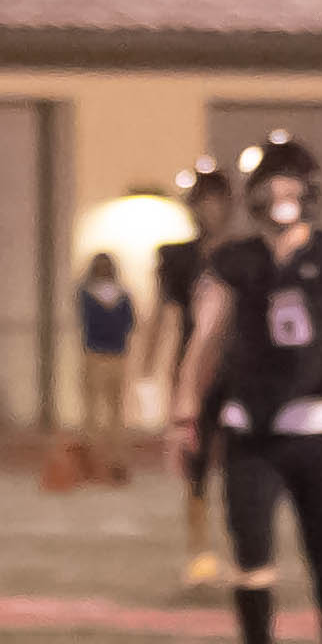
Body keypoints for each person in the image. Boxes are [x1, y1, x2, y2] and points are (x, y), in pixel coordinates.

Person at [172, 134, 322, 644]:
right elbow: (204, 341)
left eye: (290, 181)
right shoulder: (234, 262)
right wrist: (184, 410)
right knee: (251, 558)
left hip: (319, 428)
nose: (281, 193)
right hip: (251, 431)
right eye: (271, 183)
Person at [141, 161, 240, 587]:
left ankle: (244, 548)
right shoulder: (177, 257)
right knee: (195, 464)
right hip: (195, 373)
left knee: (242, 463)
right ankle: (199, 551)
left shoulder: (245, 254)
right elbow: (163, 312)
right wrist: (148, 367)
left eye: (216, 200)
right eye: (203, 201)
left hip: (241, 371)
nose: (210, 209)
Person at [76, 252, 136, 480]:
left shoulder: (86, 295)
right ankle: (116, 461)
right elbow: (130, 323)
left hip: (94, 354)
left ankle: (92, 461)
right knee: (116, 412)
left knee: (91, 410)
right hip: (118, 355)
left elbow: (84, 322)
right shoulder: (123, 296)